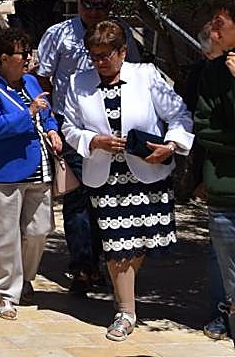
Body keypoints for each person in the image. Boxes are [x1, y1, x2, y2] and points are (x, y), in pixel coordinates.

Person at [60, 20, 193, 342]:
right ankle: (125, 311)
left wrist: (171, 146)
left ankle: (125, 298)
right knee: (116, 244)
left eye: (106, 55)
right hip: (105, 177)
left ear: (122, 51)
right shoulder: (79, 81)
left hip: (148, 172)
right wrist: (93, 141)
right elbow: (69, 127)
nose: (100, 61)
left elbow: (179, 115)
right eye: (94, 56)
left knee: (138, 243)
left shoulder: (146, 75)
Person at [36, 0, 141, 293]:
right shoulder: (59, 34)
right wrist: (52, 119)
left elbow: (133, 74)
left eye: (101, 5)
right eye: (88, 4)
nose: (94, 11)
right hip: (72, 124)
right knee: (78, 196)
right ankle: (83, 265)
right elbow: (42, 76)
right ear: (78, 3)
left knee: (108, 194)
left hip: (111, 126)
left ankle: (109, 263)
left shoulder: (120, 35)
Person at [0, 28, 60, 320]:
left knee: (39, 230)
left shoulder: (33, 82)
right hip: (6, 172)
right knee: (7, 236)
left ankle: (24, 277)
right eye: (23, 53)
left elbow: (47, 113)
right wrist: (30, 113)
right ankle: (6, 292)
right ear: (4, 58)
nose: (29, 59)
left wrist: (51, 129)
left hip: (41, 169)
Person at [194, 0, 235, 341]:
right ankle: (221, 318)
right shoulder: (212, 71)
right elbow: (205, 127)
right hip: (224, 189)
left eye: (220, 24)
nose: (213, 32)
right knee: (223, 267)